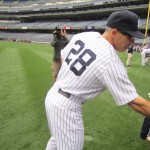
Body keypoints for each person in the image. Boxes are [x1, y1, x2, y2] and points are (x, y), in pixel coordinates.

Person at [45, 10, 150, 150]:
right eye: (130, 36)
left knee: (56, 141)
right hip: (67, 107)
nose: (132, 42)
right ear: (114, 32)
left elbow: (63, 58)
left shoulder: (86, 35)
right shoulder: (110, 60)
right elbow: (134, 101)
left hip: (53, 95)